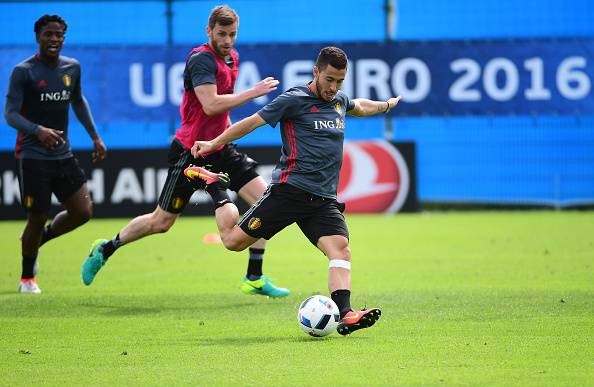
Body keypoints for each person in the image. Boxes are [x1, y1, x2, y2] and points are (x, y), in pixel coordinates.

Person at [186, 46, 401, 335]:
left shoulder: (338, 101)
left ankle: (346, 313)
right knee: (232, 242)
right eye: (329, 79)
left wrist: (386, 105)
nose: (333, 87)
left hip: (322, 199)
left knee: (340, 250)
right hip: (289, 191)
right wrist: (213, 144)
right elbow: (251, 123)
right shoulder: (294, 99)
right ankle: (216, 187)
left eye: (340, 81)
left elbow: (360, 106)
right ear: (316, 72)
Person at [81, 5, 289, 298]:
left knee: (265, 200)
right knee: (161, 222)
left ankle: (254, 276)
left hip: (220, 146)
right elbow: (211, 105)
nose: (228, 40)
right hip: (192, 150)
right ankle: (106, 247)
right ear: (209, 31)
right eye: (222, 34)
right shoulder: (201, 59)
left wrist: (226, 135)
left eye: (232, 34)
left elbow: (220, 113)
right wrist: (252, 93)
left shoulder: (232, 57)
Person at [4, 14, 108, 294]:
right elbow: (10, 114)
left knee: (83, 211)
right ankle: (27, 278)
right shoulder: (23, 72)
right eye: (48, 35)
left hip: (63, 155)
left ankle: (38, 240)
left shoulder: (71, 68)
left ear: (64, 38)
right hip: (32, 156)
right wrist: (38, 130)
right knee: (36, 217)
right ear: (38, 37)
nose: (53, 40)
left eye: (58, 35)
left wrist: (95, 137)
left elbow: (77, 100)